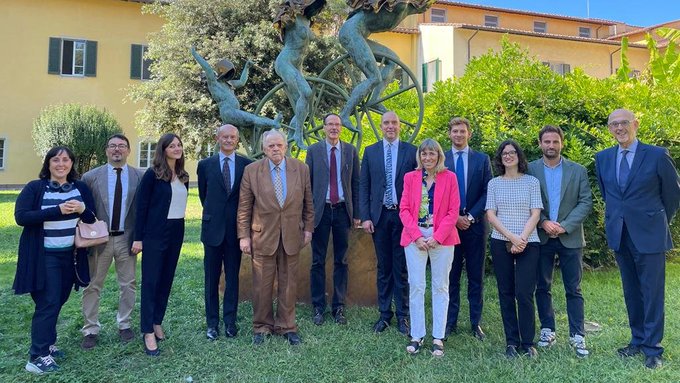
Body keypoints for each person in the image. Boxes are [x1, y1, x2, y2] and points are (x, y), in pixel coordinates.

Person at [595, 109, 680, 369]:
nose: (619, 128)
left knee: (651, 293)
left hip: (650, 234)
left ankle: (653, 349)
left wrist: (656, 220)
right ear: (609, 129)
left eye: (624, 123)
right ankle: (637, 339)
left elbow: (673, 194)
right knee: (631, 291)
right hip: (620, 234)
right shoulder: (603, 158)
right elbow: (608, 194)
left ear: (635, 124)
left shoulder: (656, 155)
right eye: (614, 124)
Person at [14, 146, 96, 374]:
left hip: (70, 256)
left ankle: (48, 346)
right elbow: (21, 217)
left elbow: (92, 217)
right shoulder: (35, 187)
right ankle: (37, 356)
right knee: (47, 303)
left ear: (72, 164)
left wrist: (82, 209)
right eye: (56, 160)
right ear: (48, 163)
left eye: (66, 160)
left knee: (58, 300)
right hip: (44, 256)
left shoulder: (80, 187)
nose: (61, 164)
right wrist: (57, 210)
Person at [237, 129, 314, 346]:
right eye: (271, 146)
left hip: (292, 235)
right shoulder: (252, 171)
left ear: (286, 146)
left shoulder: (301, 169)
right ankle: (261, 326)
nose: (275, 149)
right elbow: (244, 206)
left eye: (279, 145)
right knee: (262, 284)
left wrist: (308, 228)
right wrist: (243, 236)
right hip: (263, 236)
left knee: (289, 282)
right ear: (264, 149)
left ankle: (286, 326)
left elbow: (309, 201)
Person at [527, 125, 593, 357]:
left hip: (570, 237)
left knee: (573, 288)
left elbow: (585, 202)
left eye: (555, 142)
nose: (551, 146)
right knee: (542, 286)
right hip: (541, 235)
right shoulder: (531, 169)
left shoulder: (578, 171)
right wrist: (544, 222)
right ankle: (547, 330)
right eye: (547, 142)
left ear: (562, 143)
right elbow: (527, 200)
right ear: (540, 144)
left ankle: (577, 334)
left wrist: (564, 226)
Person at [80, 134, 144, 349]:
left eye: (122, 146)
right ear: (106, 150)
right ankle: (90, 328)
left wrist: (140, 237)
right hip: (99, 239)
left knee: (128, 284)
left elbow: (142, 211)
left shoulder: (139, 176)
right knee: (92, 284)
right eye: (113, 146)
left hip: (127, 239)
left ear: (128, 151)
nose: (117, 150)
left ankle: (124, 324)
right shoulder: (90, 177)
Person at [399, 139, 460, 356]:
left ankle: (438, 336)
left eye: (431, 154)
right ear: (419, 157)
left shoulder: (450, 177)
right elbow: (404, 209)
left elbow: (454, 211)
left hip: (441, 238)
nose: (427, 158)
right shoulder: (410, 178)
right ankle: (417, 335)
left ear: (439, 156)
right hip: (415, 237)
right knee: (416, 286)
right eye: (424, 154)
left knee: (440, 287)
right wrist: (416, 236)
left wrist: (437, 236)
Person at [359, 111, 417, 335]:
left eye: (394, 123)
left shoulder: (411, 152)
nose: (390, 126)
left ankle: (404, 315)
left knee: (401, 268)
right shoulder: (371, 151)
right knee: (384, 267)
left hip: (404, 218)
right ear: (381, 126)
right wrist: (365, 217)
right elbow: (364, 185)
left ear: (400, 126)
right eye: (386, 123)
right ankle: (385, 314)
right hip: (380, 217)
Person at [338, 0, 434, 130]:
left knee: (393, 61)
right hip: (351, 33)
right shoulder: (399, 5)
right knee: (374, 77)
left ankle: (375, 99)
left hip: (361, 36)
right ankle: (344, 114)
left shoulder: (408, 9)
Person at [485, 140, 543, 358]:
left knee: (525, 292)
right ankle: (511, 342)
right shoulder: (494, 184)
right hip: (501, 241)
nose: (508, 156)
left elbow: (535, 213)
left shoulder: (531, 182)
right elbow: (491, 214)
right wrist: (511, 237)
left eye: (512, 152)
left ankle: (528, 342)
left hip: (529, 241)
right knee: (506, 292)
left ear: (519, 156)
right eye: (504, 153)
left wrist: (522, 238)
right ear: (500, 158)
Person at [133, 133, 189, 356]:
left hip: (176, 231)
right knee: (151, 281)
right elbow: (141, 207)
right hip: (155, 233)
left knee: (166, 279)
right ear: (163, 149)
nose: (177, 148)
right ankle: (147, 330)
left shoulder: (183, 175)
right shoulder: (152, 174)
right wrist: (138, 238)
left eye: (179, 145)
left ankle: (157, 321)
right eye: (172, 145)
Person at [197, 124, 253, 340]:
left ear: (237, 140)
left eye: (233, 137)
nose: (229, 140)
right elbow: (204, 195)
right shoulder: (205, 165)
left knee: (232, 277)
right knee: (211, 278)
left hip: (235, 231)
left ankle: (230, 321)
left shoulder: (246, 165)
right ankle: (212, 323)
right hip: (212, 230)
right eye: (225, 137)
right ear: (217, 138)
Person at [305, 113, 360, 325]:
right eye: (330, 124)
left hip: (342, 212)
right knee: (317, 261)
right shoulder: (313, 151)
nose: (334, 128)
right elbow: (307, 185)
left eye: (337, 124)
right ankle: (318, 307)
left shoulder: (350, 151)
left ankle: (339, 307)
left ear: (341, 128)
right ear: (324, 127)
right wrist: (307, 215)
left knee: (341, 260)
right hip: (321, 211)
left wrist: (356, 213)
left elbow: (356, 183)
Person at [443, 117, 492, 340]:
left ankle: (475, 322)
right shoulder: (440, 160)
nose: (459, 135)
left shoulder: (482, 160)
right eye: (455, 131)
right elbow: (437, 195)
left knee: (476, 276)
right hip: (449, 228)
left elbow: (487, 191)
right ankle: (450, 321)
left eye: (462, 131)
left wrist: (470, 216)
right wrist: (454, 219)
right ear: (449, 134)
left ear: (469, 134)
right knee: (450, 276)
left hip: (476, 227)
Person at [273, 0, 327, 149]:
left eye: (319, 7)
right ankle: (297, 134)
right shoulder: (293, 17)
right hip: (285, 62)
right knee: (307, 92)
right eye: (315, 6)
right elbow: (282, 19)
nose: (317, 10)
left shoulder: (307, 21)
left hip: (297, 67)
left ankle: (288, 142)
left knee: (305, 108)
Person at [190, 46, 282, 131]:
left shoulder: (229, 84)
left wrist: (246, 68)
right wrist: (195, 54)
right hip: (228, 113)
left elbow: (242, 82)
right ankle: (274, 123)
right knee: (253, 118)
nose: (213, 74)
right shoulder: (214, 84)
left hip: (235, 112)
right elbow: (208, 69)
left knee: (254, 125)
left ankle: (261, 137)